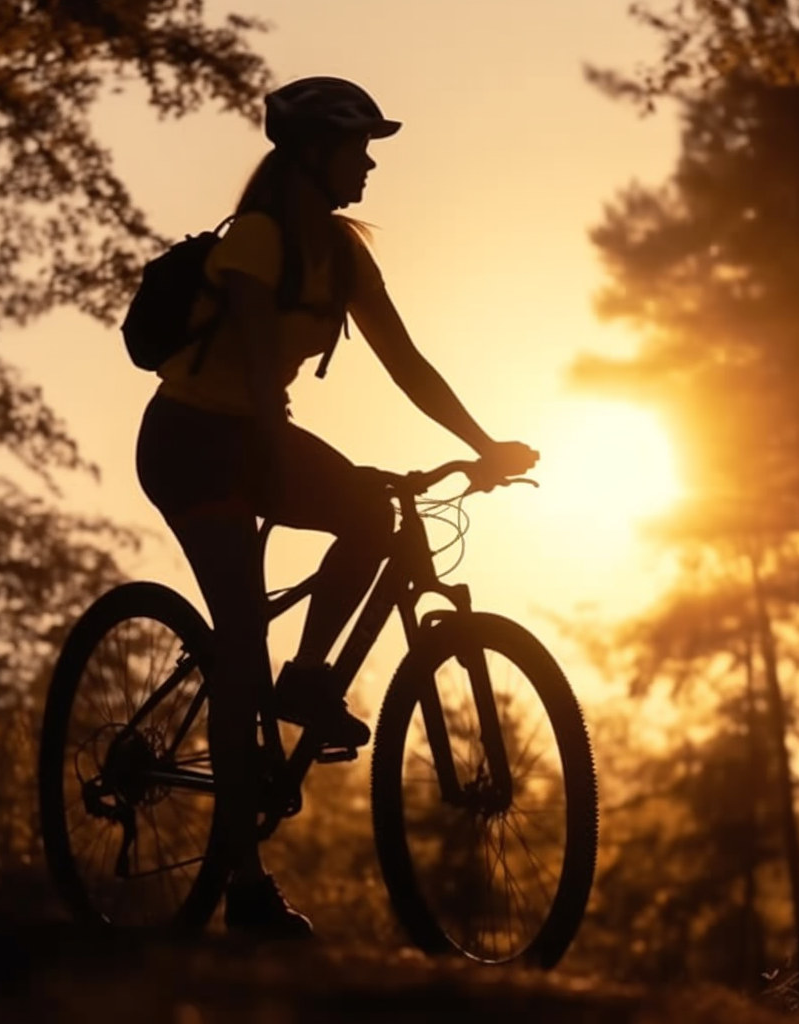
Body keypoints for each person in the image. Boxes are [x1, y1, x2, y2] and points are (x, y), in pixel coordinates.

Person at [136, 76, 538, 939]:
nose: (367, 165)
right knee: (239, 640)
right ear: (312, 156)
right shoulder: (255, 239)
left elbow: (407, 362)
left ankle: (309, 680)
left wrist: (482, 442)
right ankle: (244, 884)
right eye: (357, 151)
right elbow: (247, 344)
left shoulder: (346, 256)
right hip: (193, 440)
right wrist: (267, 415)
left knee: (373, 512)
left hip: (258, 436)